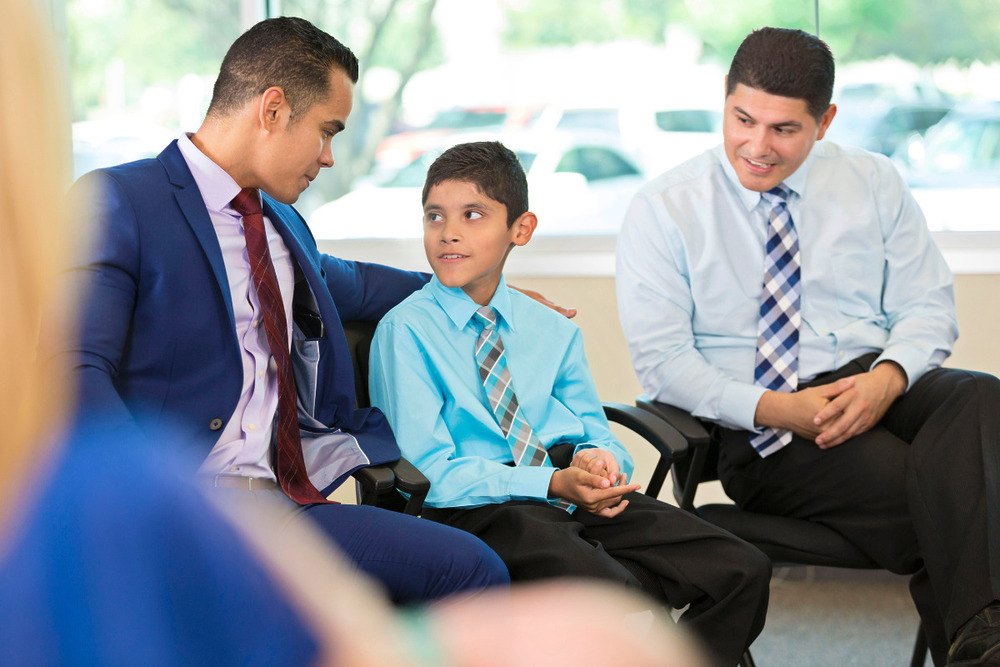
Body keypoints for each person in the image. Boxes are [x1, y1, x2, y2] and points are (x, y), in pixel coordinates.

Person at [56, 16, 513, 604]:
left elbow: (356, 285)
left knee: (474, 570)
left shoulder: (282, 221)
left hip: (284, 510)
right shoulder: (119, 200)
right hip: (173, 512)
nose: (328, 157)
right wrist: (152, 505)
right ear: (272, 110)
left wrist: (486, 291)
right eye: (327, 131)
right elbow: (74, 371)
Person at [616, 26, 1000, 666]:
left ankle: (980, 644)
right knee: (964, 493)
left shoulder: (872, 181)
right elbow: (663, 363)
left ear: (825, 121)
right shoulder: (665, 208)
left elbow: (927, 304)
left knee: (982, 398)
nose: (757, 147)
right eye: (743, 119)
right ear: (725, 101)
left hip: (874, 376)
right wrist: (777, 408)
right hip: (765, 424)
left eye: (784, 130)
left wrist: (887, 378)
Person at [367, 140, 771, 666]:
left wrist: (600, 462)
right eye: (434, 216)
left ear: (521, 229)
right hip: (476, 508)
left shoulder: (550, 330)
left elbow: (592, 430)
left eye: (473, 214)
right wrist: (551, 483)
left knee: (742, 569)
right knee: (615, 596)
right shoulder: (406, 332)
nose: (449, 231)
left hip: (565, 490)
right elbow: (432, 472)